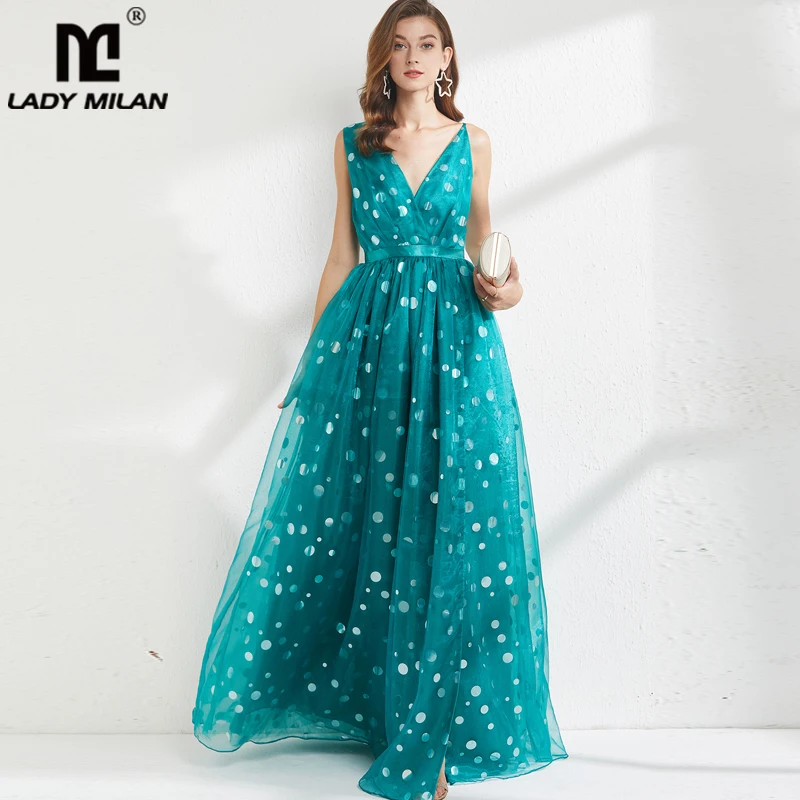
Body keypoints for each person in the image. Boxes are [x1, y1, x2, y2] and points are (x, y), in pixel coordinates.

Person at [192, 2, 568, 799]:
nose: (414, 56)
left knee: (452, 521)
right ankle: (391, 710)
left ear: (448, 57)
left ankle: (434, 731)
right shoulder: (353, 145)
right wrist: (317, 362)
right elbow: (341, 257)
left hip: (458, 345)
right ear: (384, 59)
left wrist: (507, 289)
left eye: (428, 43)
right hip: (372, 345)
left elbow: (489, 251)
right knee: (375, 516)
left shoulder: (475, 143)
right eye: (399, 45)